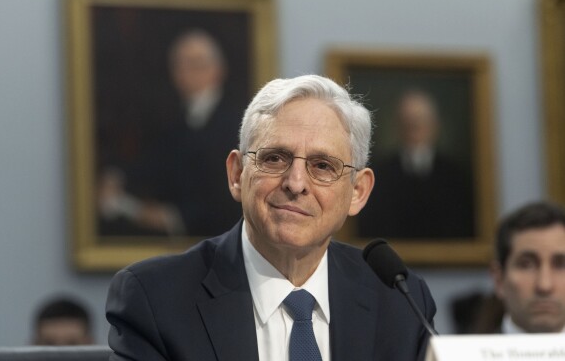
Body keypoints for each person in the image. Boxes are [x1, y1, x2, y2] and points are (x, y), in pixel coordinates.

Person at [105, 74, 437, 360]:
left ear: (358, 192)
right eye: (275, 158)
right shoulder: (156, 299)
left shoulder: (400, 302)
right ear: (237, 174)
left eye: (322, 166)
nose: (295, 184)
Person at [98, 29, 244, 237]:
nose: (186, 72)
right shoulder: (174, 121)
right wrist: (117, 177)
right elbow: (153, 164)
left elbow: (226, 195)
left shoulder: (235, 122)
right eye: (179, 65)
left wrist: (174, 218)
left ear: (218, 70)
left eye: (195, 64)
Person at [358, 88, 474, 239]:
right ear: (398, 126)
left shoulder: (455, 174)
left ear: (434, 125)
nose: (414, 128)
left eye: (420, 121)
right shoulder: (381, 173)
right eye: (409, 122)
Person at [489, 201, 565, 334]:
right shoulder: (461, 355)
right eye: (526, 265)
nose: (544, 285)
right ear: (499, 279)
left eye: (561, 265)